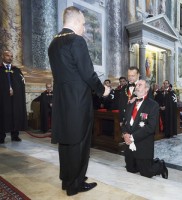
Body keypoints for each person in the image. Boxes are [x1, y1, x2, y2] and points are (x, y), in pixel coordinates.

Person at [48, 6, 110, 196]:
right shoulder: (76, 40)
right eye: (83, 24)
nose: (84, 28)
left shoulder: (53, 44)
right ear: (74, 22)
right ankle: (75, 184)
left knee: (66, 142)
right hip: (78, 102)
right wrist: (103, 90)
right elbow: (87, 73)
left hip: (62, 101)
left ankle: (67, 180)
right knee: (80, 142)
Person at [121, 79, 168, 179]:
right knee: (130, 170)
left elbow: (150, 127)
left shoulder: (153, 105)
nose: (137, 86)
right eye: (136, 85)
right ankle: (139, 164)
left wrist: (132, 137)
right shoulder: (130, 103)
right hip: (129, 146)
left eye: (140, 85)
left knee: (146, 173)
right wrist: (125, 134)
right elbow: (124, 122)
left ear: (146, 89)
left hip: (143, 144)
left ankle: (160, 165)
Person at [0, 50, 27, 144]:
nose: (10, 57)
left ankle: (15, 135)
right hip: (3, 98)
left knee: (15, 114)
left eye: (11, 56)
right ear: (3, 56)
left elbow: (21, 82)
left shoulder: (16, 70)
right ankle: (1, 136)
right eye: (7, 55)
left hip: (15, 98)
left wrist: (15, 89)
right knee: (3, 115)